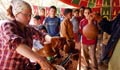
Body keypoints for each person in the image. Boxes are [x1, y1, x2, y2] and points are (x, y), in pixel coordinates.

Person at [0, 0, 55, 70]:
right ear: (16, 14)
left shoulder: (27, 28)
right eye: (26, 15)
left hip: (24, 66)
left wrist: (52, 39)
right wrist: (40, 60)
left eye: (30, 15)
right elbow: (15, 42)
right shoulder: (7, 25)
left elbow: (42, 34)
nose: (29, 18)